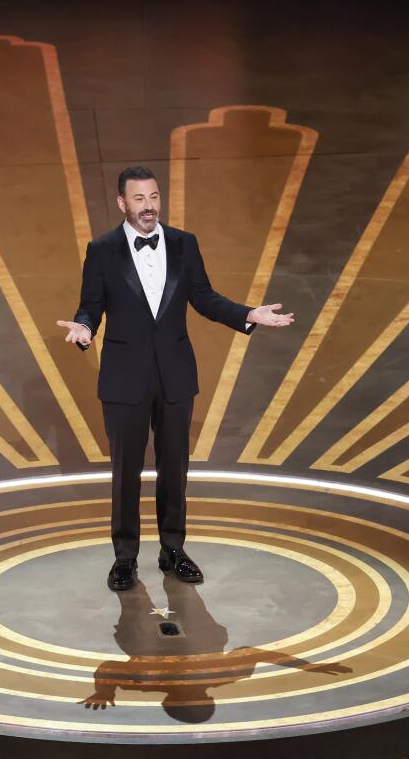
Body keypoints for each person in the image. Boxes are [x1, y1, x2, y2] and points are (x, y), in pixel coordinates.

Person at [56, 165, 294, 591]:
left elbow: (203, 297)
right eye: (140, 199)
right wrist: (85, 330)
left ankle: (173, 549)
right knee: (125, 471)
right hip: (124, 378)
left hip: (175, 376)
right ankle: (125, 558)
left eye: (154, 197)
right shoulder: (102, 250)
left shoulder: (185, 244)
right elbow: (90, 305)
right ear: (121, 203)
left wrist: (247, 315)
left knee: (174, 469)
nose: (149, 207)